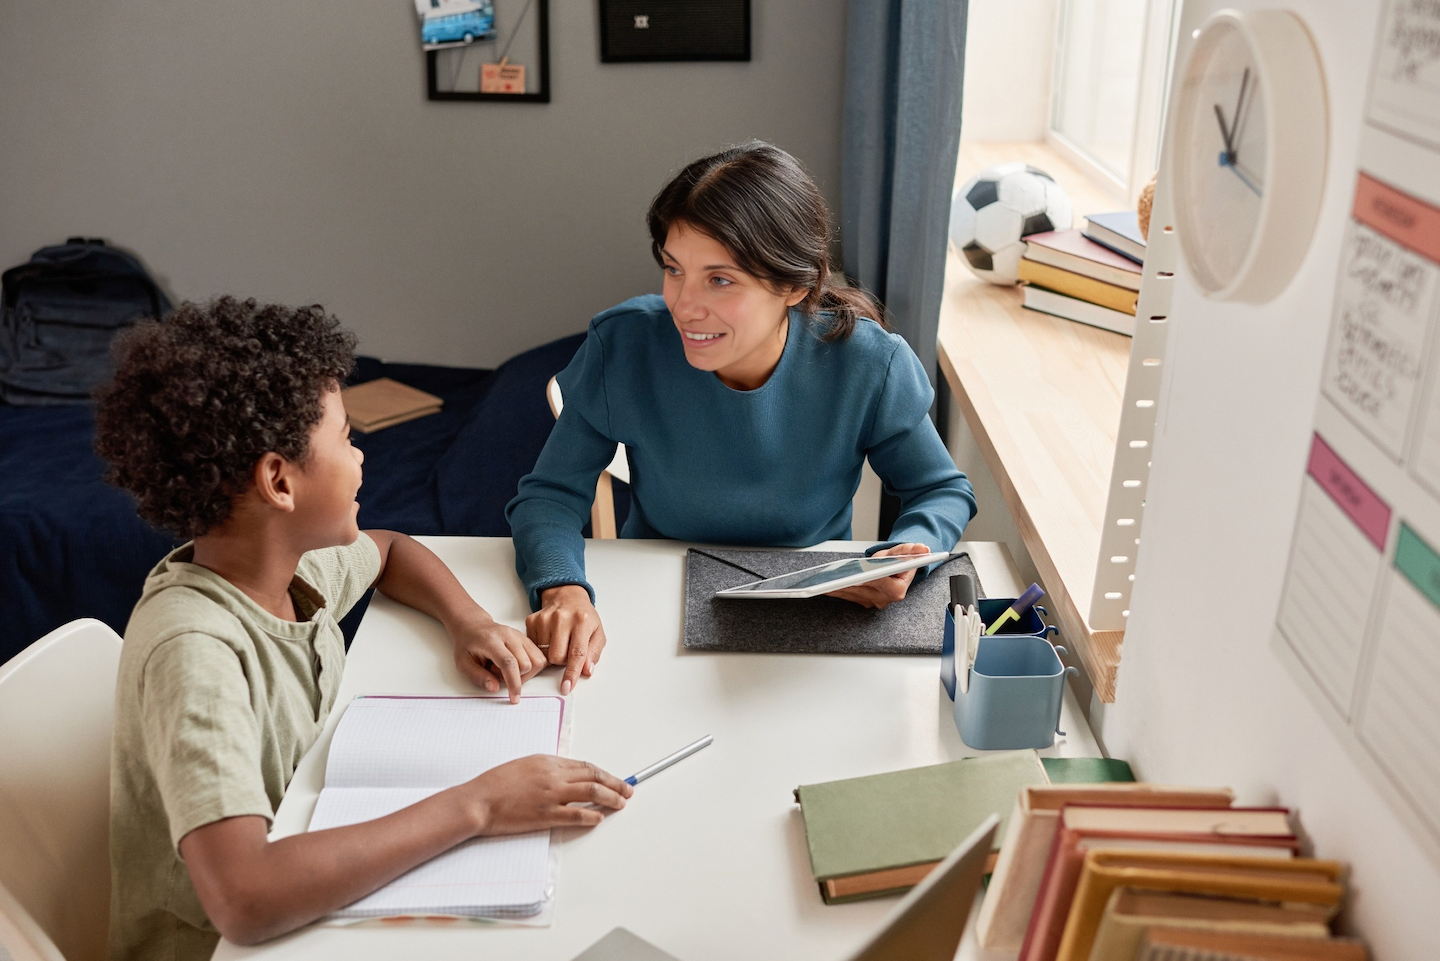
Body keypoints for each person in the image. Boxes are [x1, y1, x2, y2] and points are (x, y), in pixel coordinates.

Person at [95, 298, 631, 961]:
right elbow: (245, 900)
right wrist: (481, 805)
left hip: (311, 876)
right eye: (346, 437)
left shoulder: (284, 569)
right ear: (278, 481)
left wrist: (466, 621)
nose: (361, 455)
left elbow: (389, 549)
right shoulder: (196, 652)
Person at [507, 141, 977, 693]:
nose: (684, 305)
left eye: (720, 279)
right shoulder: (624, 345)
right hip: (655, 599)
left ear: (796, 285)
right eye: (674, 270)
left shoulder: (869, 362)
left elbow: (941, 490)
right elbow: (549, 497)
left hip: (819, 608)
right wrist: (564, 588)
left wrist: (907, 553)